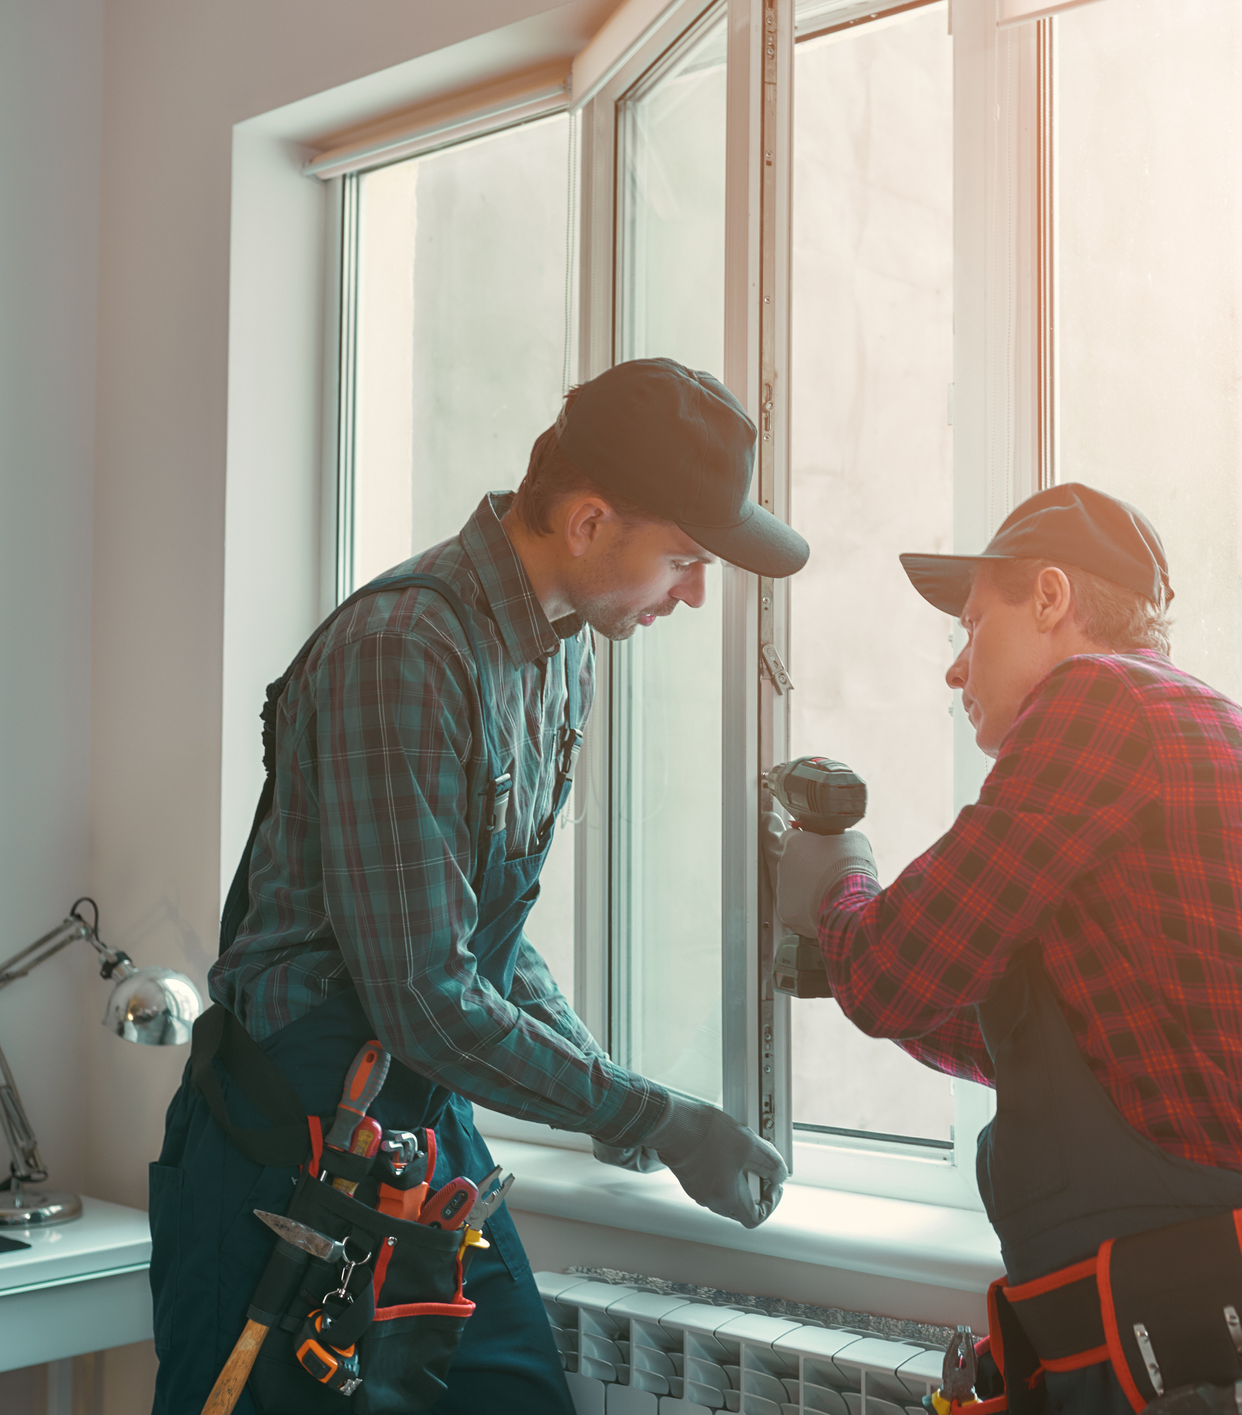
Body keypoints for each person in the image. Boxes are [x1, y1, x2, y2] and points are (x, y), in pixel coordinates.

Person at [152, 358, 800, 1414]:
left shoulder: (556, 654)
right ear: (588, 521)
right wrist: (661, 1118)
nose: (689, 595)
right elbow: (424, 992)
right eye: (682, 560)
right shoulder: (404, 648)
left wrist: (604, 1096)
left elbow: (484, 937)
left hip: (415, 1116)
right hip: (289, 1143)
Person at [771, 483, 1242, 1415]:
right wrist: (843, 953)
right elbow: (1055, 1042)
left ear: (1049, 598)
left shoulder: (1099, 700)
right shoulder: (1207, 724)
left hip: (1199, 1315)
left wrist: (839, 881)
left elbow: (895, 973)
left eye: (971, 624)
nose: (956, 671)